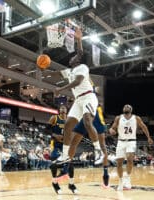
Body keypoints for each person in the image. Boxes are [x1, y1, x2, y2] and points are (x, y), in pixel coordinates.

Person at [53, 28, 102, 164]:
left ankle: (98, 151)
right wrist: (42, 65)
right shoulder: (69, 71)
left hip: (88, 97)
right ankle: (65, 155)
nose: (71, 57)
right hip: (78, 100)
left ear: (78, 59)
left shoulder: (83, 68)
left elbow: (78, 81)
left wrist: (79, 40)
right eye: (71, 57)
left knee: (87, 121)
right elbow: (57, 73)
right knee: (68, 125)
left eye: (74, 56)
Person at [51, 105, 109, 194]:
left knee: (70, 163)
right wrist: (55, 136)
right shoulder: (56, 118)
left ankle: (70, 183)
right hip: (56, 144)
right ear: (58, 110)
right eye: (62, 108)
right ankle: (55, 183)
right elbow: (47, 130)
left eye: (65, 108)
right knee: (55, 164)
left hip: (66, 143)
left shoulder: (71, 117)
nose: (63, 109)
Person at [109, 104, 153, 191]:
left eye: (128, 107)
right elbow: (112, 128)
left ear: (131, 110)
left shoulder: (136, 118)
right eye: (125, 106)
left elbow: (144, 127)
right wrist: (111, 131)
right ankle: (121, 181)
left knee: (129, 158)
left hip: (131, 141)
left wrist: (148, 137)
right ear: (123, 109)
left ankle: (128, 178)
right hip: (121, 141)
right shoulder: (118, 118)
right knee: (119, 163)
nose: (126, 107)